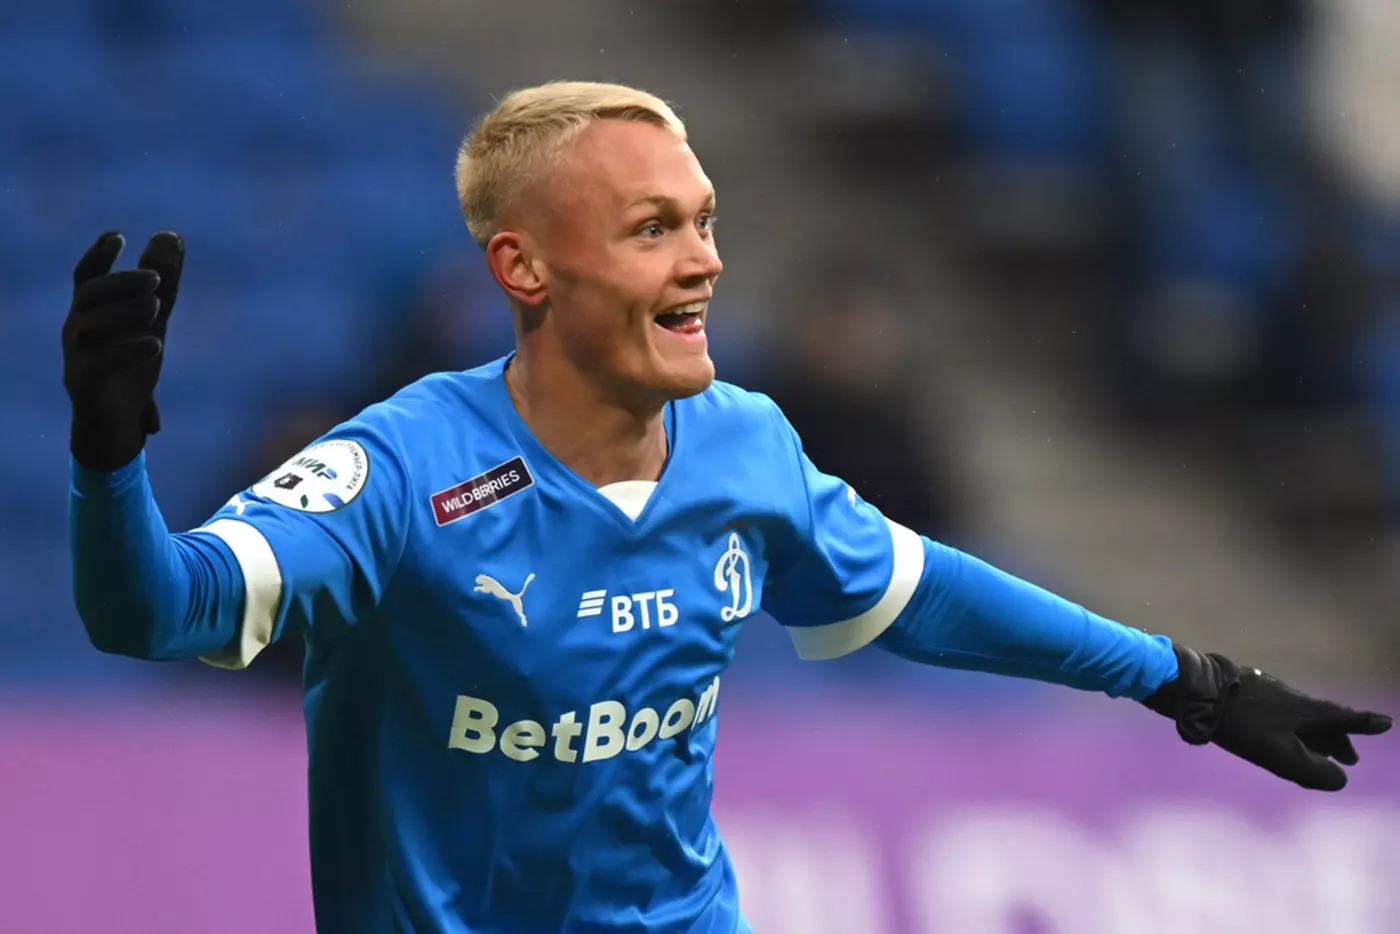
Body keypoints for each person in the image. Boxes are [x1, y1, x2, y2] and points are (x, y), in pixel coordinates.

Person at [62, 81, 1390, 934]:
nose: (703, 261)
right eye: (652, 230)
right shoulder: (399, 471)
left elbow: (922, 592)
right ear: (524, 269)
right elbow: (155, 612)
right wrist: (111, 460)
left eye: (703, 221)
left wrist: (1188, 680)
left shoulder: (743, 443)